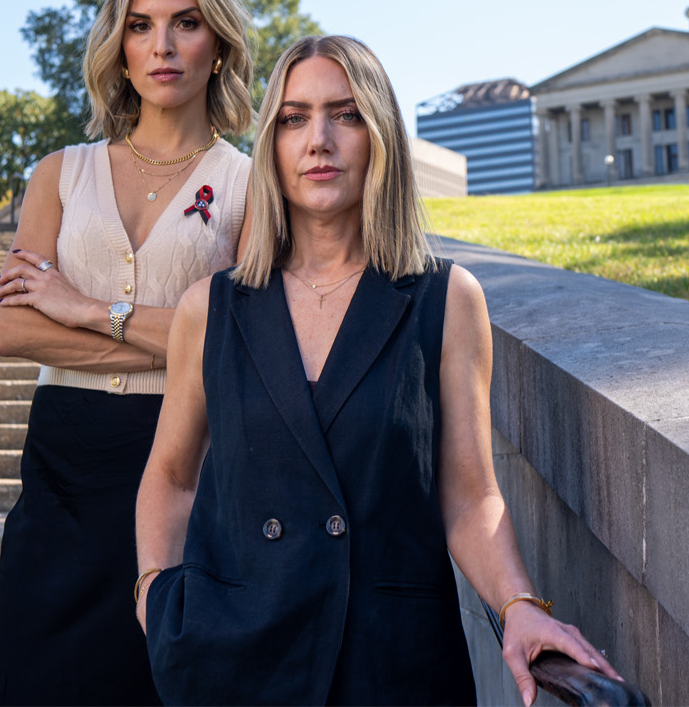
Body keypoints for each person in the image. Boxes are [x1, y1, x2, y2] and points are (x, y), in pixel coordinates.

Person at [135, 35, 621, 706]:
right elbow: (169, 476)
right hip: (235, 660)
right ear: (271, 144)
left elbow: (470, 492)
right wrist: (156, 596)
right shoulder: (211, 308)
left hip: (392, 661)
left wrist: (518, 605)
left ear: (381, 135)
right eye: (295, 118)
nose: (320, 140)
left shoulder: (445, 299)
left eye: (347, 114)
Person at [0, 0, 254, 706]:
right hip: (62, 464)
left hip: (185, 462)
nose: (162, 46)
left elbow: (246, 345)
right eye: (140, 26)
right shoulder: (58, 173)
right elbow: (14, 333)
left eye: (185, 23)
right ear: (119, 50)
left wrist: (86, 308)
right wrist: (172, 337)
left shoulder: (249, 186)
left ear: (219, 44)